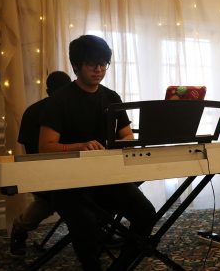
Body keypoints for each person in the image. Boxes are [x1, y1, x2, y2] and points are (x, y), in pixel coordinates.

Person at [39, 35, 156, 270]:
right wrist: (80, 146)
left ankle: (120, 266)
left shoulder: (111, 97)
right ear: (76, 66)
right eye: (92, 64)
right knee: (86, 222)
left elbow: (127, 136)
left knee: (146, 213)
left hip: (105, 177)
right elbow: (46, 146)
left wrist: (123, 143)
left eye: (103, 63)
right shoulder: (60, 100)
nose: (99, 69)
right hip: (67, 182)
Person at [11, 71, 72, 256]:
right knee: (47, 201)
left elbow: (29, 151)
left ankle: (20, 230)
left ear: (47, 90)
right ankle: (20, 227)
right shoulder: (65, 108)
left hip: (45, 169)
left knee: (46, 203)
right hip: (50, 170)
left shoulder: (32, 111)